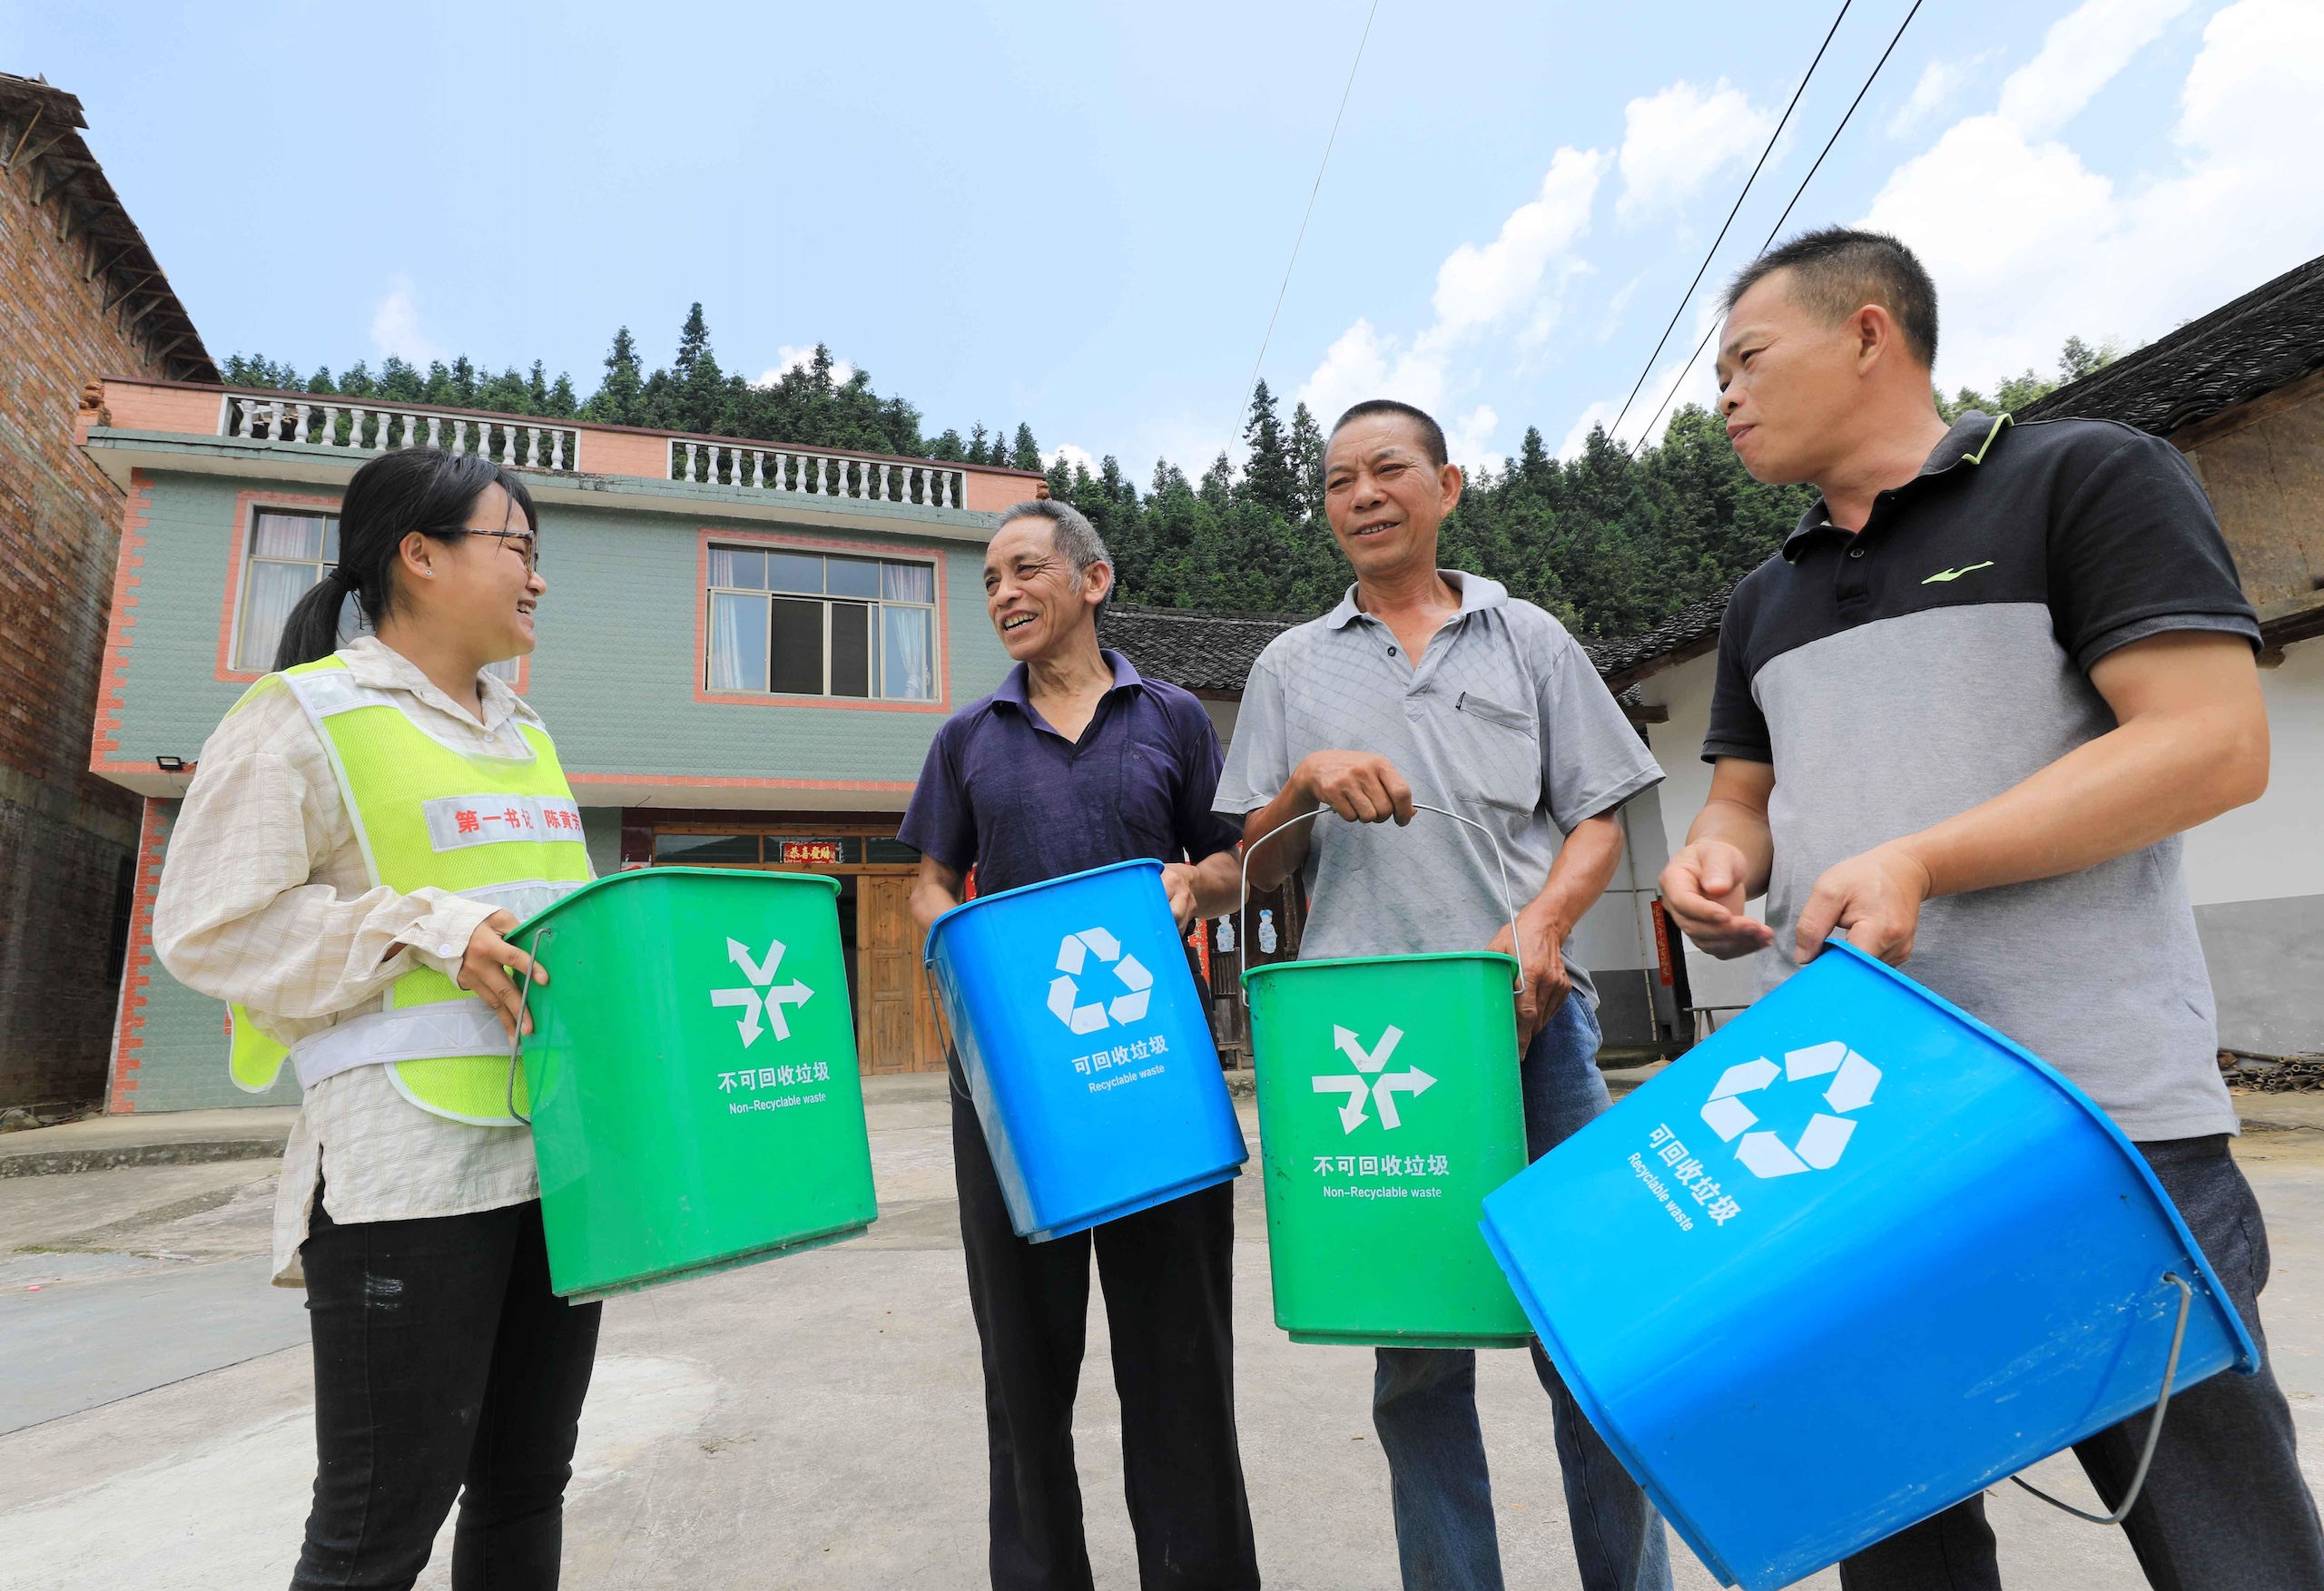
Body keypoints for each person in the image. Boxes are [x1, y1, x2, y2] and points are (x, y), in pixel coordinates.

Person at [1657, 225, 2324, 1589]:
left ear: (1867, 335)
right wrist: (1715, 862)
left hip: (2097, 1120)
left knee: (2228, 1543)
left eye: (1746, 357)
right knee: (1897, 1545)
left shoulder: (2082, 476)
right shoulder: (1762, 599)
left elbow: (2210, 741)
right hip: (1857, 1138)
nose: (1720, 394)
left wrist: (1921, 858)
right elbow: (1739, 801)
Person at [1219, 399, 1673, 1591]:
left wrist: (1541, 929)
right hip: (1372, 1046)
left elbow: (1597, 817)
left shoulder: (1526, 638)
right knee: (1417, 1357)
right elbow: (1248, 874)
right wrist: (1301, 786)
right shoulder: (1289, 667)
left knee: (1589, 1335)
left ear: (1448, 485)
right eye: (1336, 480)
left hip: (1533, 1022)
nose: (1361, 494)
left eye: (1387, 470)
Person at [153, 448, 597, 1591]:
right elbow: (208, 925)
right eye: (520, 549)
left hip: (556, 1162)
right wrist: (422, 927)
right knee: (376, 1529)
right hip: (409, 1174)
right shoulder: (302, 715)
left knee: (526, 1487)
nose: (538, 579)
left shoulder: (526, 732)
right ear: (420, 554)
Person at [901, 499, 1260, 1591]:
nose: (1003, 594)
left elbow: (1230, 860)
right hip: (1014, 1083)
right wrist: (953, 941)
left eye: (1023, 570)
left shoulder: (1174, 717)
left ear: (1092, 580)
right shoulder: (968, 737)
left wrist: (1197, 883)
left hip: (1153, 1074)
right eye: (989, 582)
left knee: (1181, 1364)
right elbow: (925, 881)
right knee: (1024, 1363)